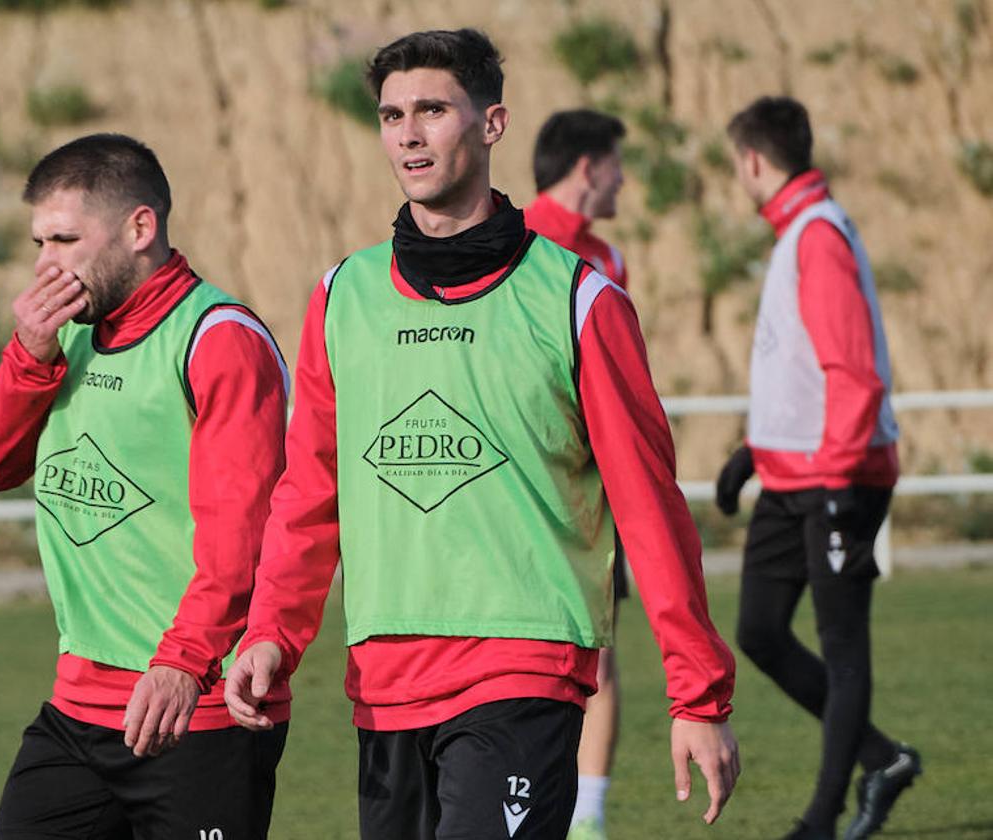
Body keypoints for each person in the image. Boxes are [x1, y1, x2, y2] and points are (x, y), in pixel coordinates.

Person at [223, 28, 739, 840]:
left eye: (433, 109)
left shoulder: (579, 301)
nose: (409, 133)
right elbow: (309, 490)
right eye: (393, 114)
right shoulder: (342, 295)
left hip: (522, 669)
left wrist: (697, 695)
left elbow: (649, 504)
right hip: (383, 680)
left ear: (492, 124)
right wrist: (271, 633)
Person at [0, 133, 290, 840]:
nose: (43, 265)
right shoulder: (68, 332)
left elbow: (242, 539)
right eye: (38, 242)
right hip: (77, 709)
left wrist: (184, 665)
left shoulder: (218, 339)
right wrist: (28, 353)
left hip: (195, 710)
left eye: (63, 240)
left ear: (140, 228)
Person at [716, 96, 921, 840]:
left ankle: (822, 821)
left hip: (842, 481)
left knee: (843, 651)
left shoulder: (818, 236)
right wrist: (752, 454)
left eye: (736, 164)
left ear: (753, 161)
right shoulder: (798, 231)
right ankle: (884, 759)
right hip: (792, 477)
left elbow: (855, 377)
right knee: (761, 631)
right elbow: (800, 374)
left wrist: (836, 486)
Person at [524, 108, 629, 840]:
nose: (625, 177)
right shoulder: (515, 243)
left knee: (599, 650)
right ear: (589, 167)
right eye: (618, 163)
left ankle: (587, 823)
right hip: (525, 490)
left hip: (591, 494)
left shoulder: (606, 261)